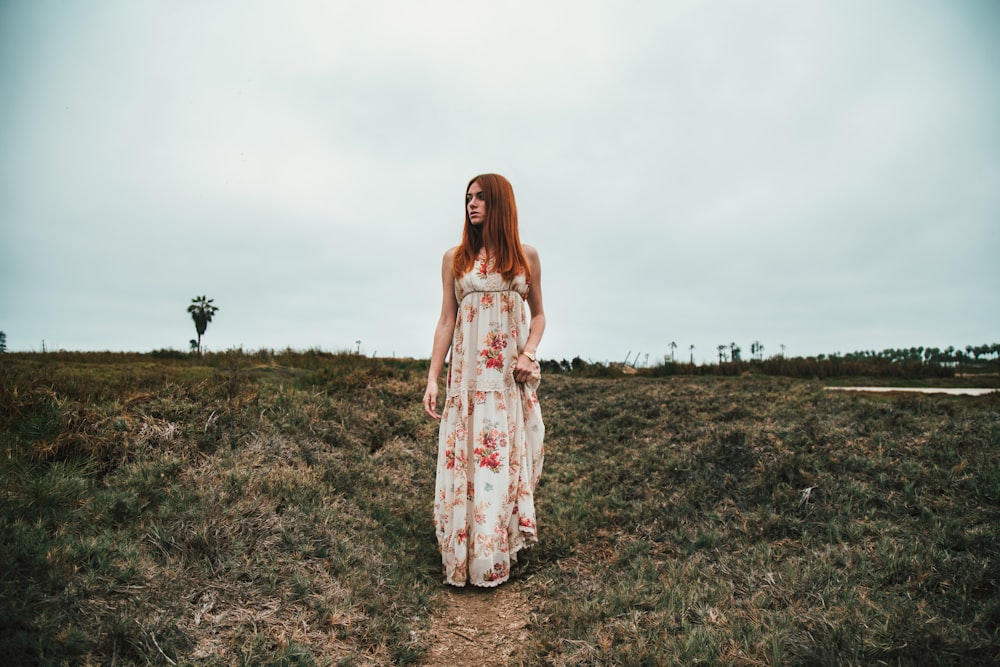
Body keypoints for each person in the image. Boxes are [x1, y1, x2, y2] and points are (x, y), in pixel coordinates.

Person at [423, 173, 546, 587]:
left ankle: (494, 557)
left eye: (481, 198)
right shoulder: (454, 259)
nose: (472, 204)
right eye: (468, 198)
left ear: (500, 204)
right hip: (468, 385)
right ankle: (464, 556)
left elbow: (541, 316)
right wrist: (433, 379)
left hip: (505, 384)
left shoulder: (525, 257)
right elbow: (446, 320)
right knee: (469, 469)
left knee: (500, 467)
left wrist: (529, 353)